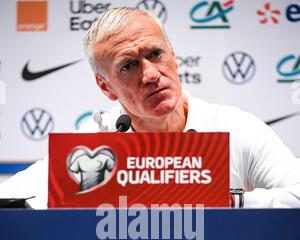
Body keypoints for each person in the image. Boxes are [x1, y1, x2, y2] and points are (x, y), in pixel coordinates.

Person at [0, 6, 299, 208]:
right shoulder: (95, 141)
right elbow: (9, 199)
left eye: (155, 54)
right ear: (105, 87)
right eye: (128, 66)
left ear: (173, 55)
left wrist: (223, 200)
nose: (151, 75)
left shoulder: (236, 128)